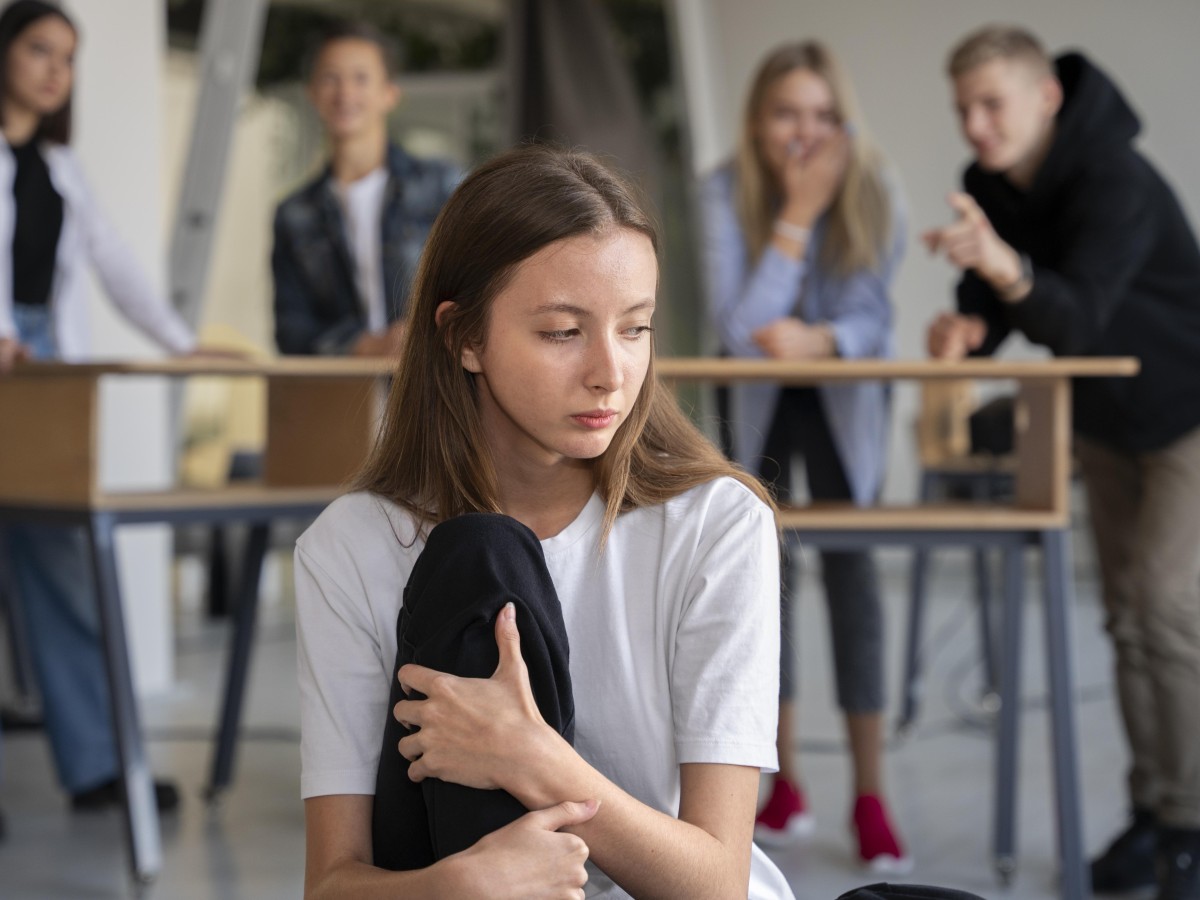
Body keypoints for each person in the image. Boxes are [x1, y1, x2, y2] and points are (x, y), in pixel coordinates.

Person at [294, 143, 796, 898]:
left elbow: (718, 882)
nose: (610, 371)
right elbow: (332, 886)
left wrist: (527, 756)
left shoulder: (717, 525)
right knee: (476, 555)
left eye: (635, 328)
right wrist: (457, 888)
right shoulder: (352, 545)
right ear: (465, 338)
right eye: (563, 332)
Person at [924, 25, 1200, 900]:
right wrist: (969, 326)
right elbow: (1002, 304)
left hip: (1188, 412)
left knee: (1164, 606)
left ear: (1045, 97)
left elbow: (1074, 318)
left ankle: (1192, 823)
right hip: (1106, 421)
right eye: (963, 108)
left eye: (991, 104)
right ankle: (1156, 814)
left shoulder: (1113, 176)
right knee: (1123, 617)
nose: (974, 125)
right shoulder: (990, 185)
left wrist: (1004, 270)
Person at [699, 40, 909, 871]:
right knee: (763, 580)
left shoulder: (874, 184)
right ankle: (779, 781)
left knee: (854, 580)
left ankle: (870, 792)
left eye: (823, 115)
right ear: (756, 121)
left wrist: (821, 339)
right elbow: (735, 327)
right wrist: (794, 216)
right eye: (788, 113)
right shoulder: (723, 190)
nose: (805, 133)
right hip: (757, 410)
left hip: (843, 401)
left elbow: (874, 320)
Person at [0, 0, 193, 826]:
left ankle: (98, 767)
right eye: (40, 49)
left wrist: (184, 347)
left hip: (42, 376)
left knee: (66, 562)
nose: (54, 69)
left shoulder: (60, 169)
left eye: (68, 58)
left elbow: (118, 266)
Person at [272, 19, 459, 357]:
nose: (345, 93)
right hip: (344, 397)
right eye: (330, 77)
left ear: (389, 94)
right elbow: (291, 331)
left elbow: (481, 288)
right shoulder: (294, 214)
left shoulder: (441, 187)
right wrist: (369, 345)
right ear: (312, 93)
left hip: (435, 387)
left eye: (361, 78)